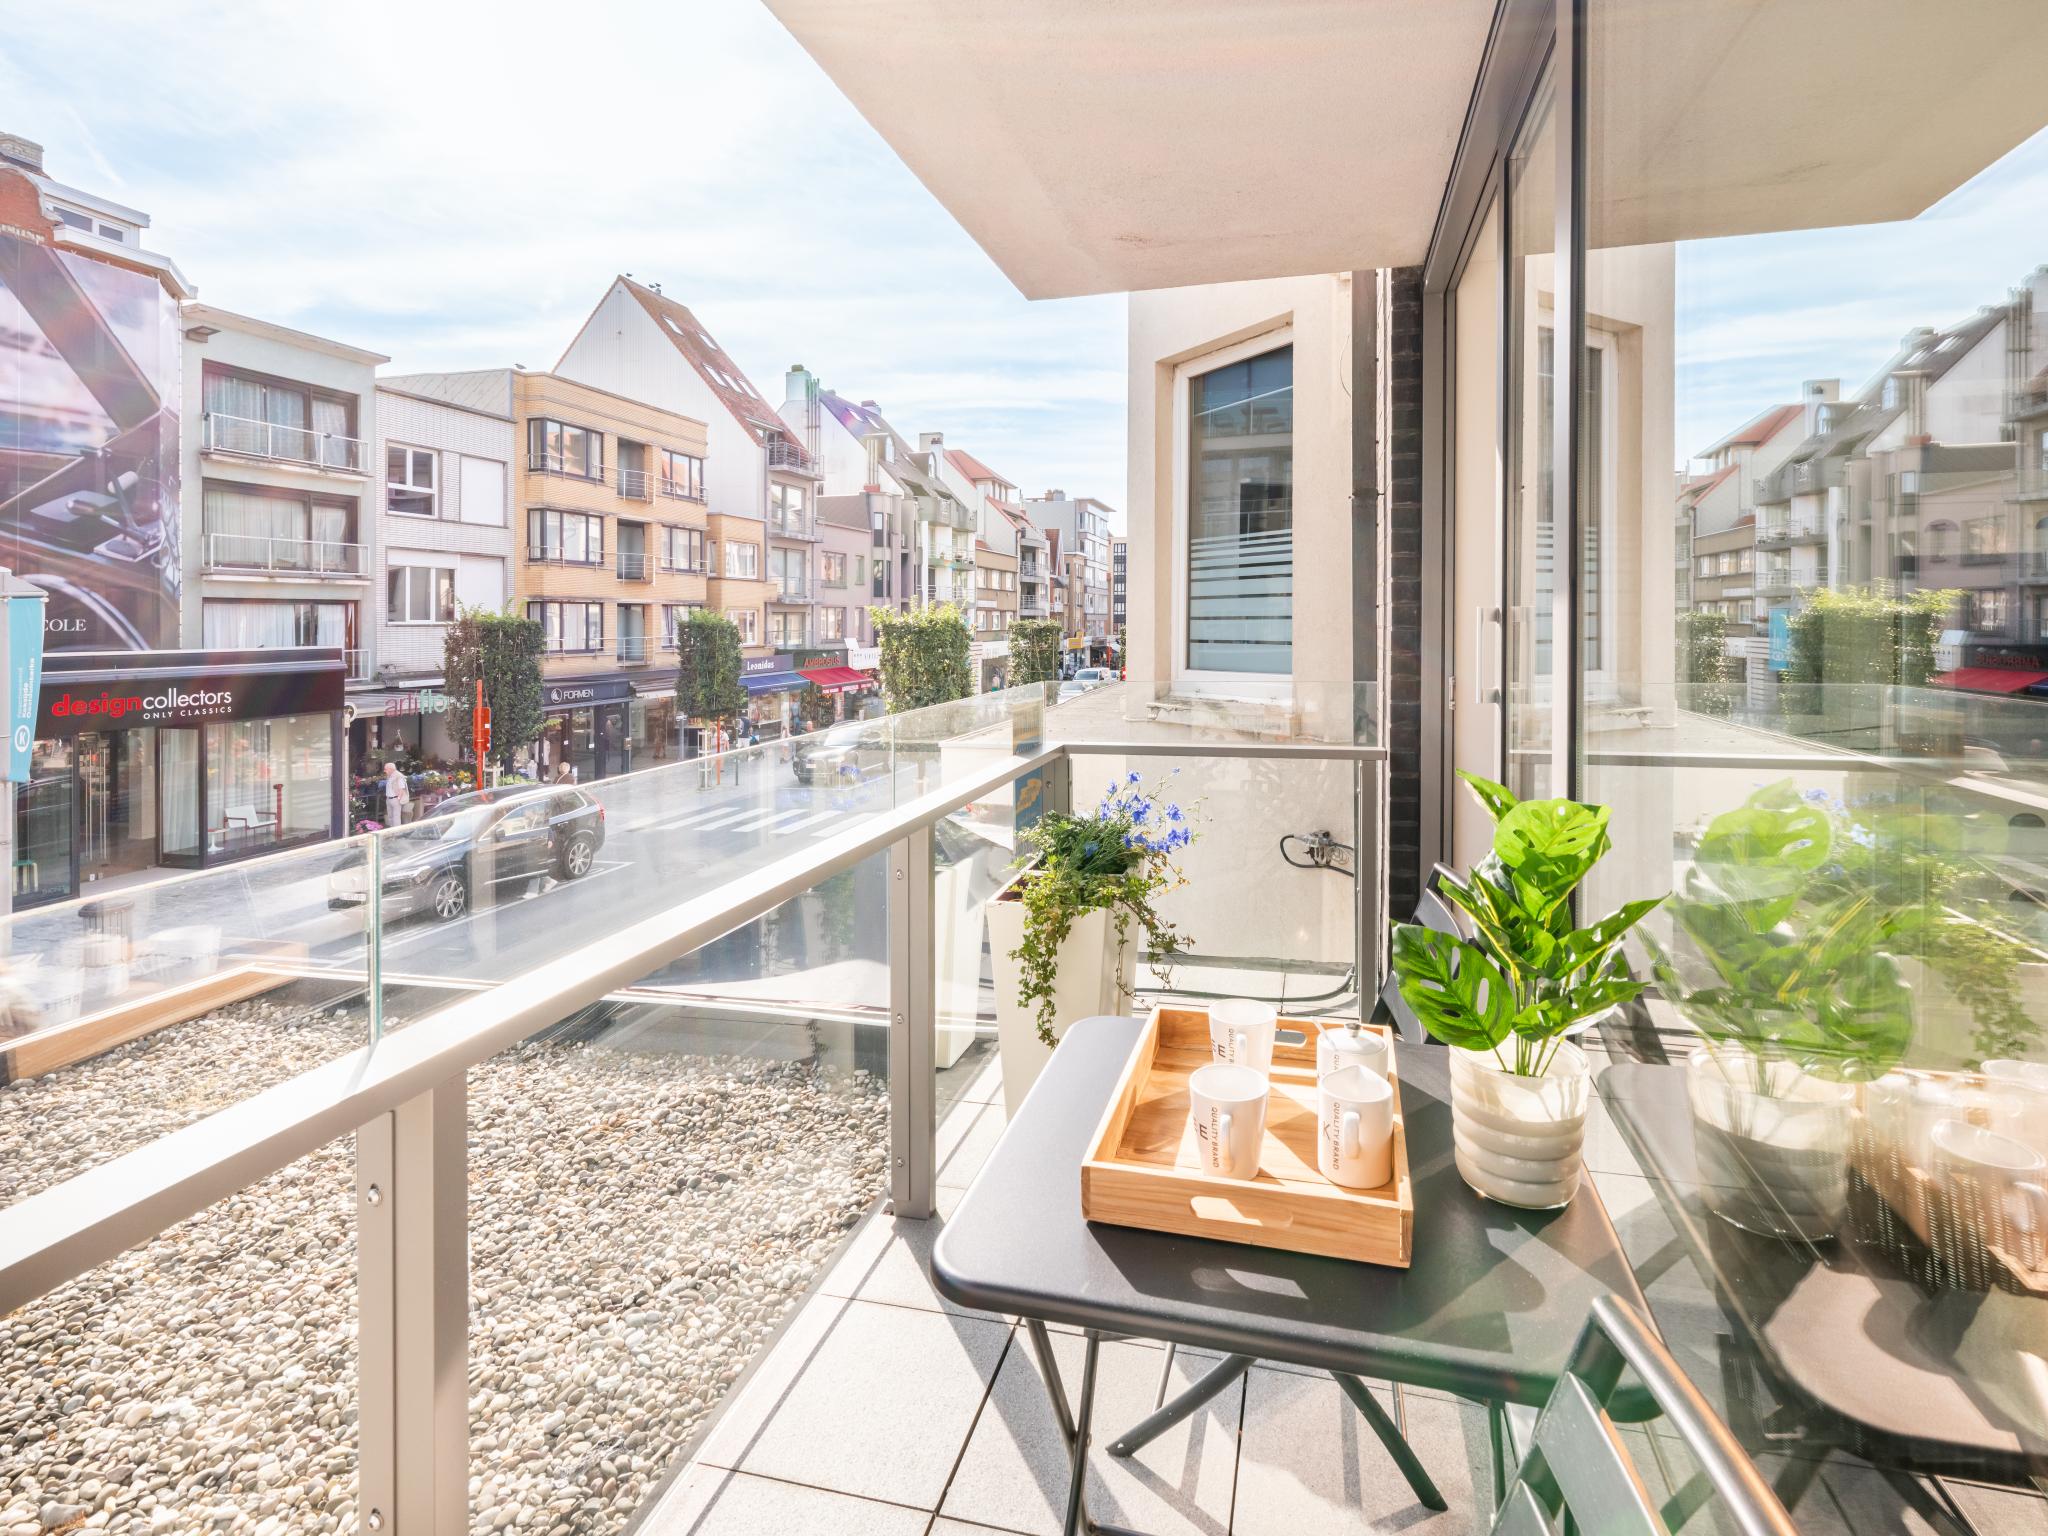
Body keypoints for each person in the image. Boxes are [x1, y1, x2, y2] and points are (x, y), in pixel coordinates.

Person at [381, 760, 411, 826]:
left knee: (396, 817)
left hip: (395, 799)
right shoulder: (390, 776)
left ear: (391, 769)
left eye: (386, 769)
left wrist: (398, 798)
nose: (384, 771)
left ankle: (397, 833)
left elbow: (402, 789)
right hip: (389, 799)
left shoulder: (399, 776)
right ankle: (392, 831)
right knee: (390, 816)